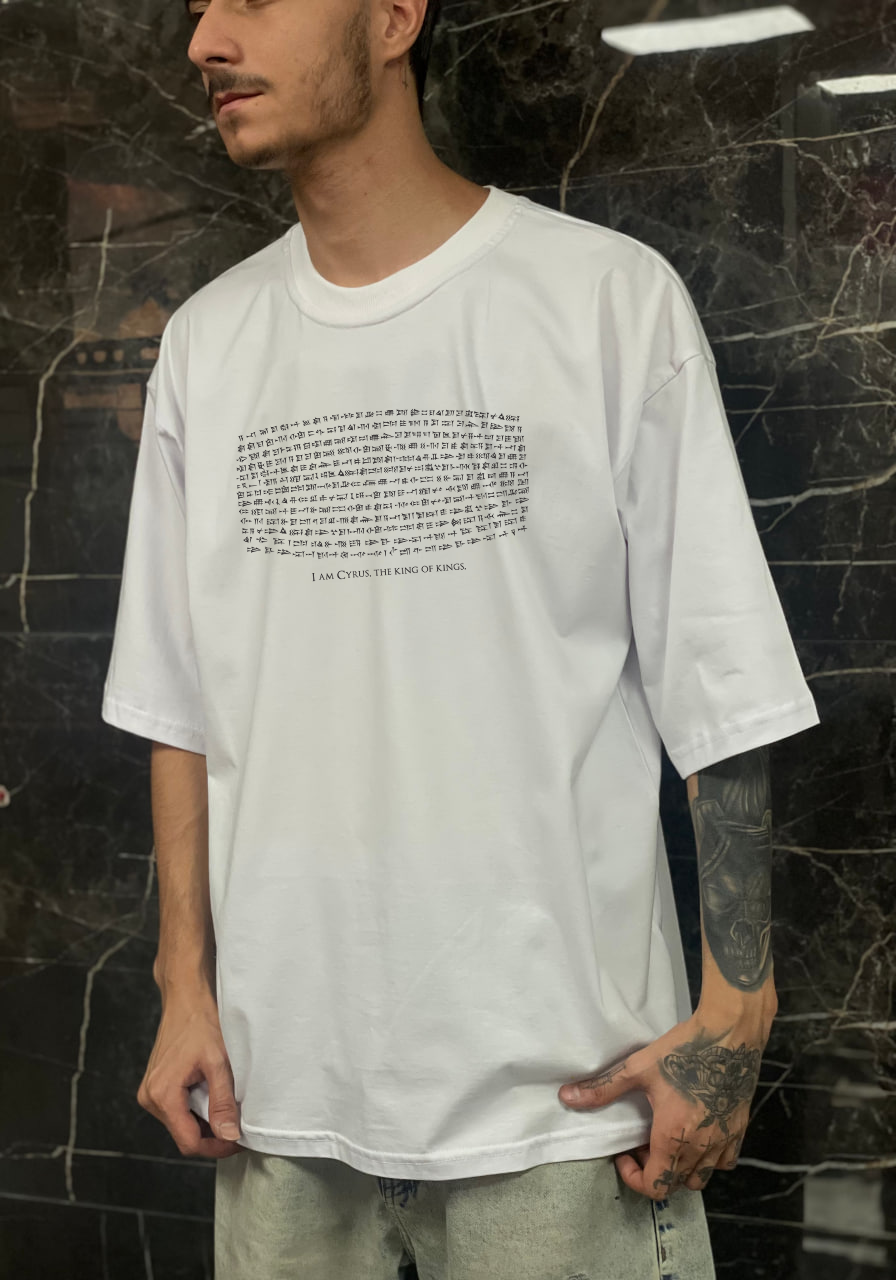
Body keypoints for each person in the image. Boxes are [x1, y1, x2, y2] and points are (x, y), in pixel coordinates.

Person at [101, 1, 821, 1276]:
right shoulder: (207, 347)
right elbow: (179, 703)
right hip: (278, 1106)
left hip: (567, 1115)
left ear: (393, 17)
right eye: (199, 3)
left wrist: (736, 1010)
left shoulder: (604, 302)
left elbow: (721, 684)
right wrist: (183, 987)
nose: (205, 38)